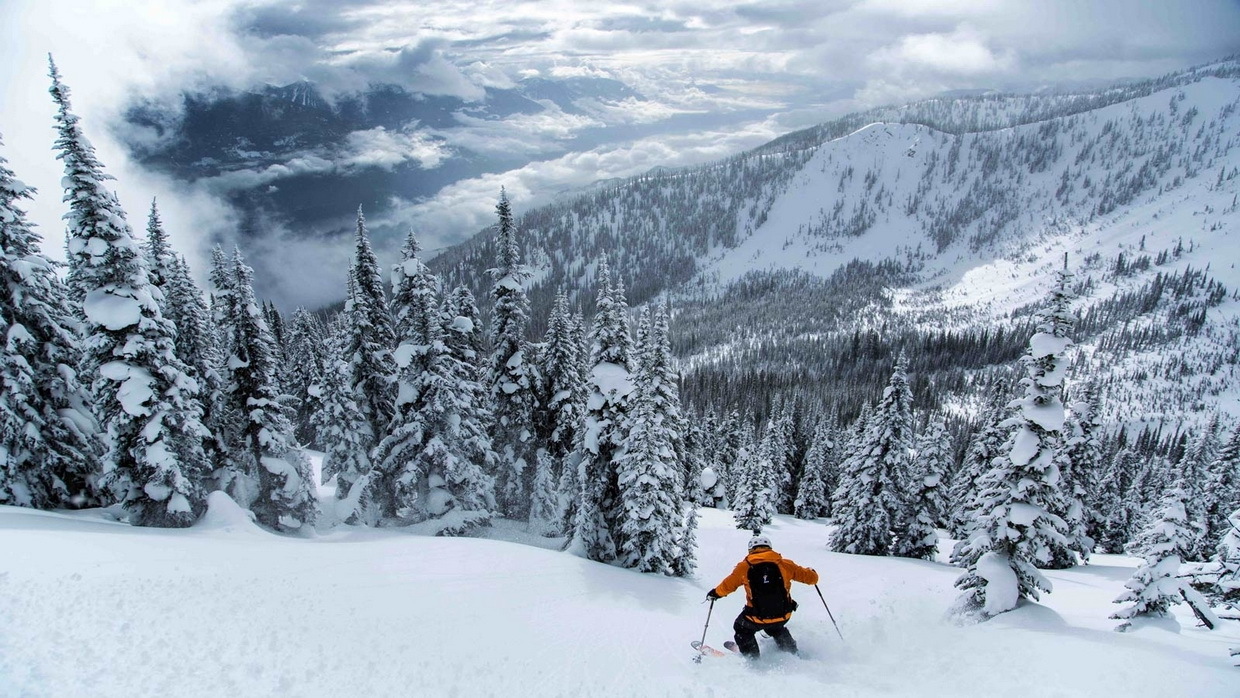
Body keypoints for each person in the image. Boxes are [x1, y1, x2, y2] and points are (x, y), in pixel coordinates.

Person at [706, 535, 819, 658]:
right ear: (770, 548)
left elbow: (728, 586)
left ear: (750, 550)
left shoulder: (744, 567)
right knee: (776, 627)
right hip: (783, 615)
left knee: (742, 628)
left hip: (756, 617)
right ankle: (791, 651)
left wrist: (715, 593)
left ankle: (752, 658)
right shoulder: (785, 564)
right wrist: (811, 572)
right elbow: (812, 579)